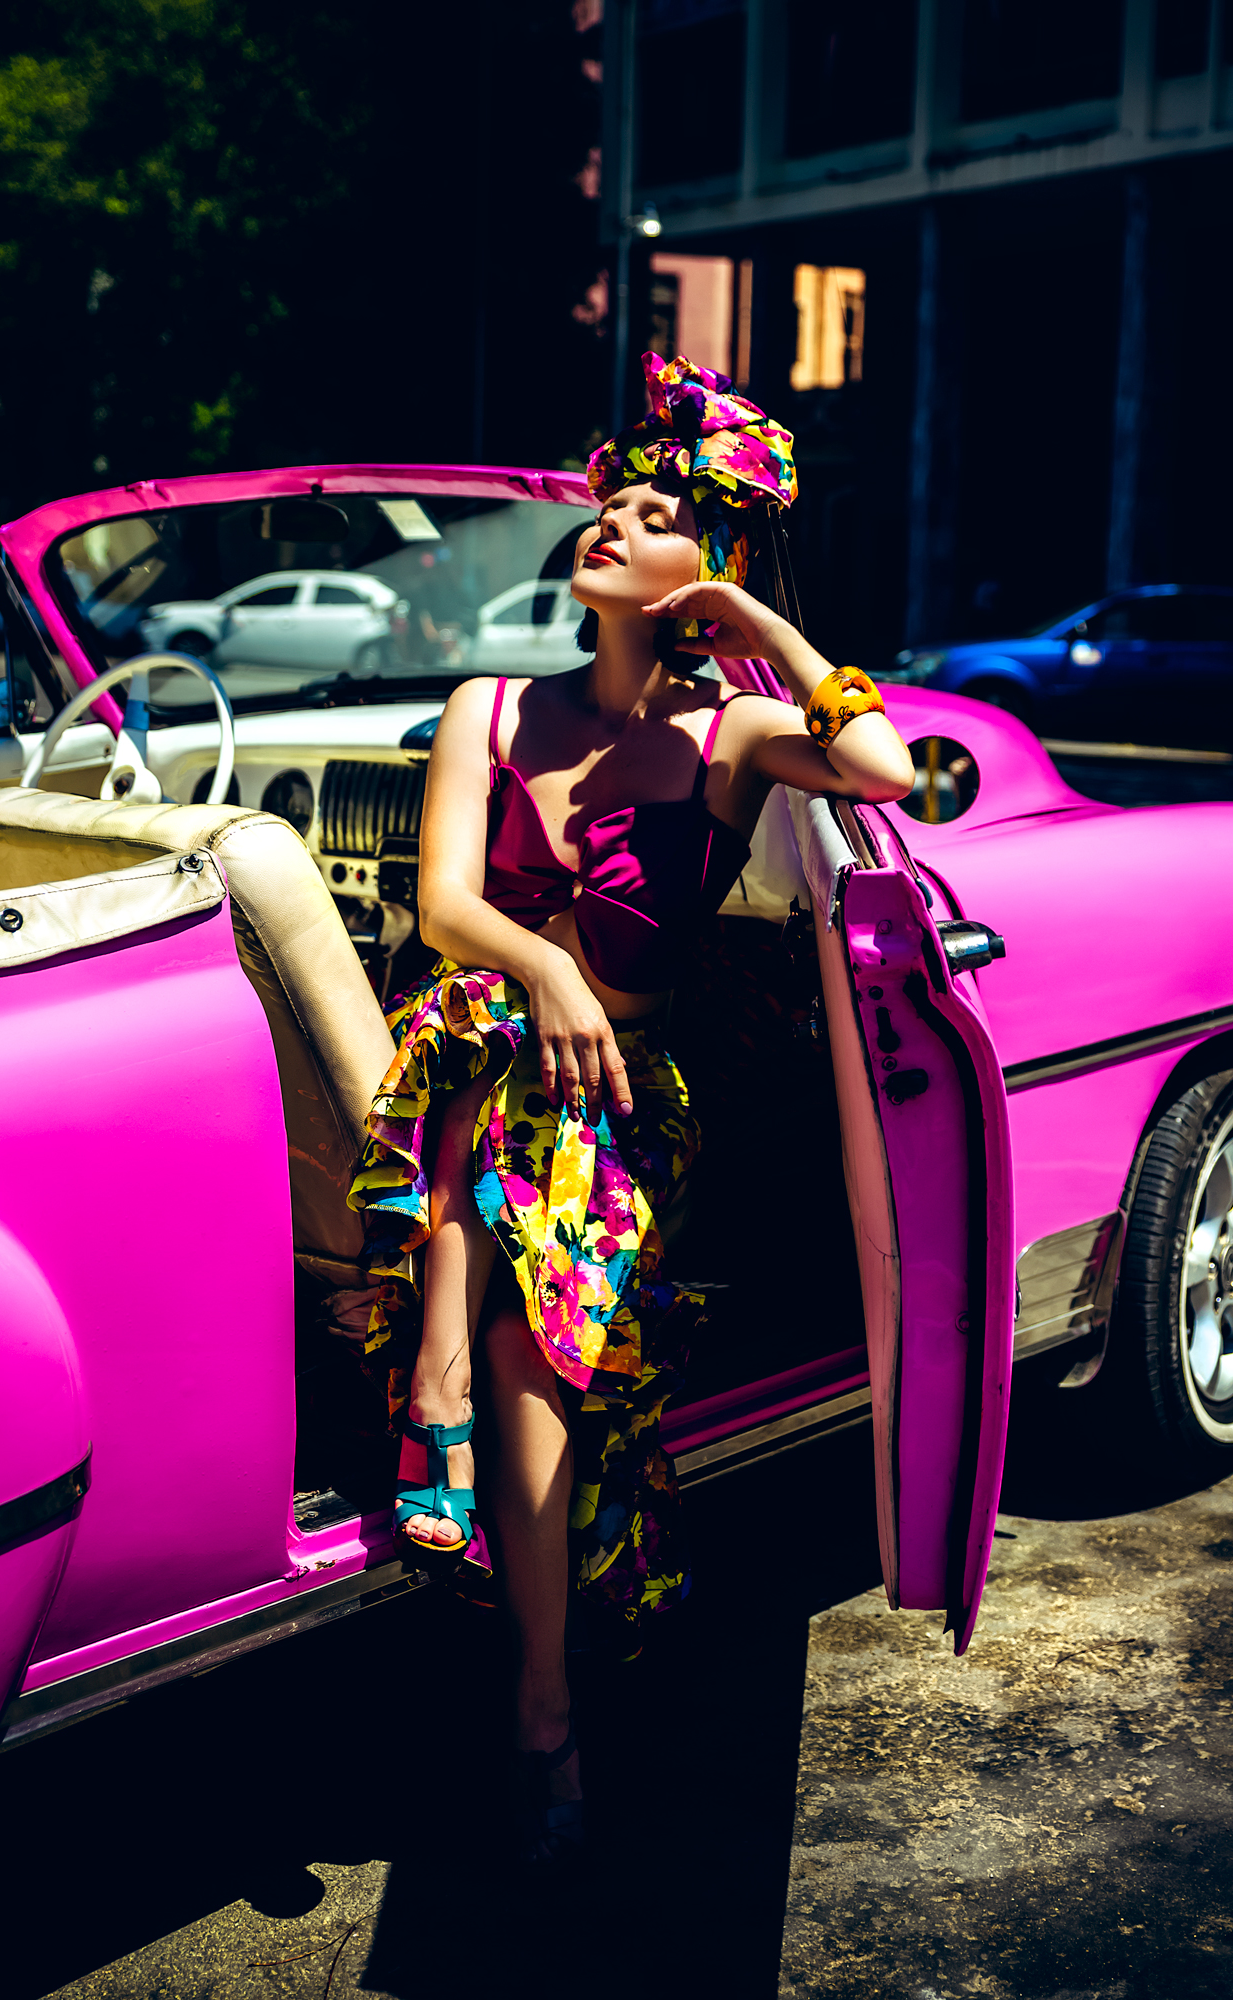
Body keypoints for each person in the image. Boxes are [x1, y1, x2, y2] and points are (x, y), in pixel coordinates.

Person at [348, 353, 914, 1864]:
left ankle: (514, 1617)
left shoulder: (730, 740)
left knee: (534, 1350)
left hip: (620, 1112)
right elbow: (446, 908)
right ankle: (524, 1647)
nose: (615, 520)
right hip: (473, 1063)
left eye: (663, 517)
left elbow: (884, 770)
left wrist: (754, 624)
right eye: (616, 502)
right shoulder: (484, 707)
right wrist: (547, 967)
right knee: (481, 1036)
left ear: (701, 570)